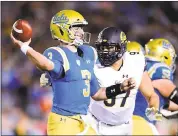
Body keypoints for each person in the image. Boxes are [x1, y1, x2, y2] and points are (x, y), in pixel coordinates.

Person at [10, 10, 135, 135]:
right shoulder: (55, 52)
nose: (81, 32)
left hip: (84, 120)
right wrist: (25, 47)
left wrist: (120, 87)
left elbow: (97, 93)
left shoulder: (88, 53)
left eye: (81, 28)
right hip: (63, 122)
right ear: (61, 29)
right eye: (76, 28)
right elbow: (46, 64)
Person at [40, 27, 161, 135]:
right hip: (94, 124)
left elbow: (151, 95)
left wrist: (153, 109)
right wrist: (52, 78)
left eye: (109, 48)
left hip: (125, 126)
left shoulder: (135, 61)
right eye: (102, 48)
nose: (104, 52)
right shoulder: (92, 65)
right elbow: (69, 72)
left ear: (122, 47)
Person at [129, 39, 178, 135]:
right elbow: (165, 87)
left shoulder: (141, 65)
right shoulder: (158, 66)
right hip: (140, 122)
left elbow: (164, 104)